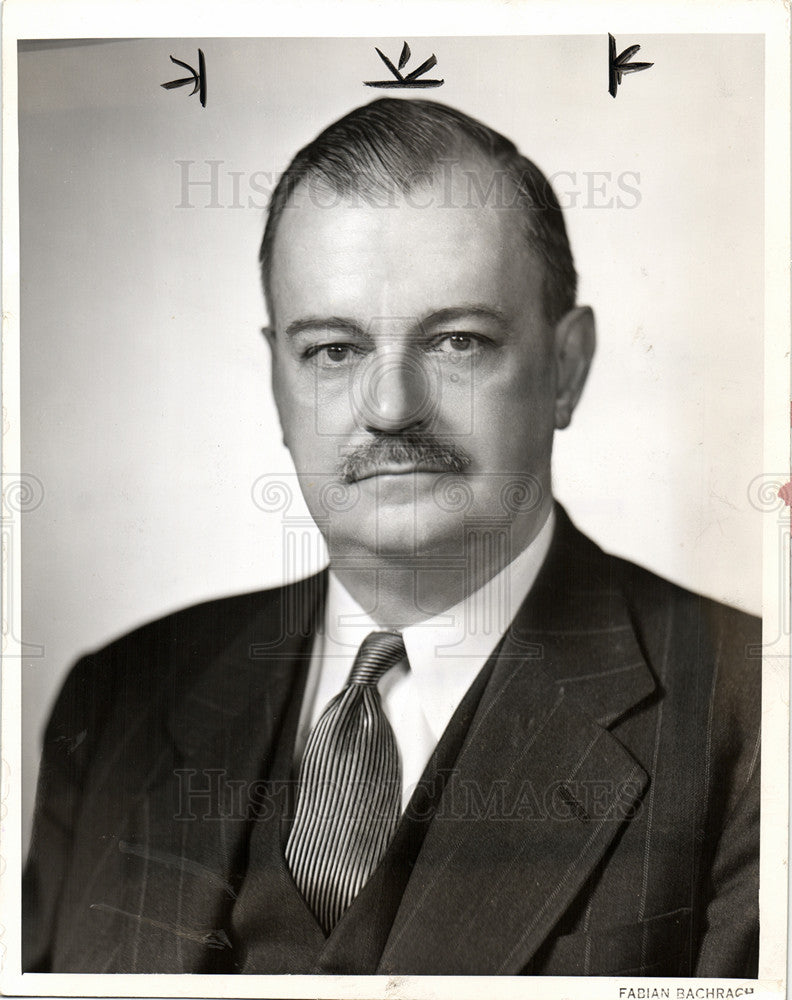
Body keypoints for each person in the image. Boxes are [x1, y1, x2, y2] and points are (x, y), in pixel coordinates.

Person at [23, 98, 760, 977]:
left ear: (566, 368)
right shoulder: (116, 703)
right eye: (333, 351)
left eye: (457, 340)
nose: (389, 408)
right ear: (276, 378)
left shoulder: (751, 714)